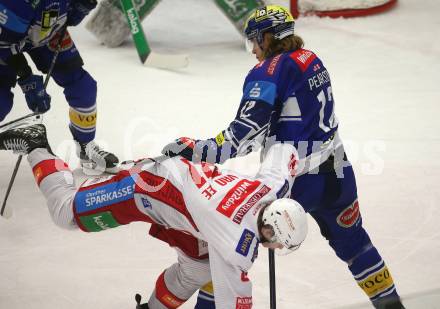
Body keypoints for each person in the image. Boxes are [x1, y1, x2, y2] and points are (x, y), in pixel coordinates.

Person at [161, 5, 405, 309]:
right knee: (356, 245)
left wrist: (196, 149)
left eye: (254, 40)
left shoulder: (268, 72)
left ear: (267, 36)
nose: (253, 49)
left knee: (226, 244)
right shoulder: (311, 59)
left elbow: (241, 136)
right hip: (339, 173)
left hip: (296, 183)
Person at [0, 123, 308, 309]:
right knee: (64, 213)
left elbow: (284, 154)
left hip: (188, 210)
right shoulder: (235, 242)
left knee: (199, 269)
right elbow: (236, 300)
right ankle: (36, 144)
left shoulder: (271, 191)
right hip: (147, 187)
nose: (277, 249)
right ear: (268, 227)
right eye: (278, 242)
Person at [0, 0, 118, 171]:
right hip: (5, 44)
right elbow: (2, 46)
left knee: (83, 86)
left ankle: (86, 146)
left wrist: (80, 8)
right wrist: (26, 77)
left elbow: (67, 17)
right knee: (2, 102)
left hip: (44, 34)